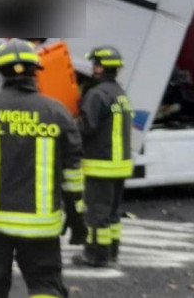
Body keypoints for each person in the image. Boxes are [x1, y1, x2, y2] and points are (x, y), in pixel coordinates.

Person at [0, 39, 84, 298]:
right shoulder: (57, 112)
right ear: (35, 71)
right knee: (45, 285)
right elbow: (72, 173)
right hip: (41, 224)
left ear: (0, 73)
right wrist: (77, 220)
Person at [72, 46, 133, 268]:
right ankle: (111, 251)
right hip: (120, 165)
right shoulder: (119, 93)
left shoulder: (97, 94)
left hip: (100, 164)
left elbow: (86, 127)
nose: (92, 68)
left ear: (100, 67)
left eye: (95, 64)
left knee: (96, 213)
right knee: (112, 213)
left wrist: (69, 125)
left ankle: (95, 255)